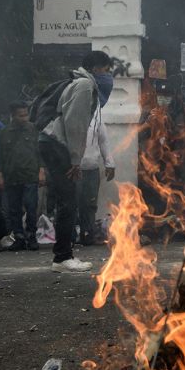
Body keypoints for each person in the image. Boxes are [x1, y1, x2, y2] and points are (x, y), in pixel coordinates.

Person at [38, 51, 111, 272]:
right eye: (107, 70)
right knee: (68, 200)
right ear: (97, 68)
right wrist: (75, 160)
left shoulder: (80, 83)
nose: (109, 76)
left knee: (66, 199)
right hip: (57, 144)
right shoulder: (85, 86)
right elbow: (75, 124)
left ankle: (62, 255)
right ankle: (62, 257)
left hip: (52, 142)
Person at [0, 101, 44, 251]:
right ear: (13, 116)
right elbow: (0, 156)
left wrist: (42, 171)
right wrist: (0, 175)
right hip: (12, 176)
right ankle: (19, 237)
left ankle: (31, 236)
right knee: (14, 209)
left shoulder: (33, 130)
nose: (24, 118)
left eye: (26, 114)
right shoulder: (4, 132)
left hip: (30, 175)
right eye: (20, 115)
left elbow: (40, 152)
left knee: (31, 207)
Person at [77, 67, 115, 245]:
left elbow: (104, 142)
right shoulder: (71, 115)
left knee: (90, 203)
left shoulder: (97, 119)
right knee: (72, 203)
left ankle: (87, 234)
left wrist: (110, 164)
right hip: (73, 169)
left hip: (91, 169)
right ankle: (70, 236)